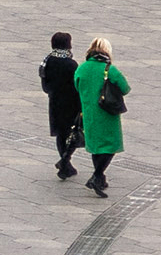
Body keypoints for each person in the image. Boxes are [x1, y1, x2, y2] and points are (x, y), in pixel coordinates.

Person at [79, 35, 130, 197]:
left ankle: (100, 177)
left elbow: (76, 84)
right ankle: (96, 176)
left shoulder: (82, 68)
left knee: (96, 147)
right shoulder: (109, 69)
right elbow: (125, 88)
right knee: (110, 146)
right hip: (108, 113)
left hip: (89, 113)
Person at [43, 29, 86, 181]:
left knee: (61, 133)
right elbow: (78, 85)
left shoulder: (48, 61)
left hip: (55, 102)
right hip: (71, 104)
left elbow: (45, 85)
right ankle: (65, 161)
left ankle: (65, 162)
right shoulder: (71, 64)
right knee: (73, 132)